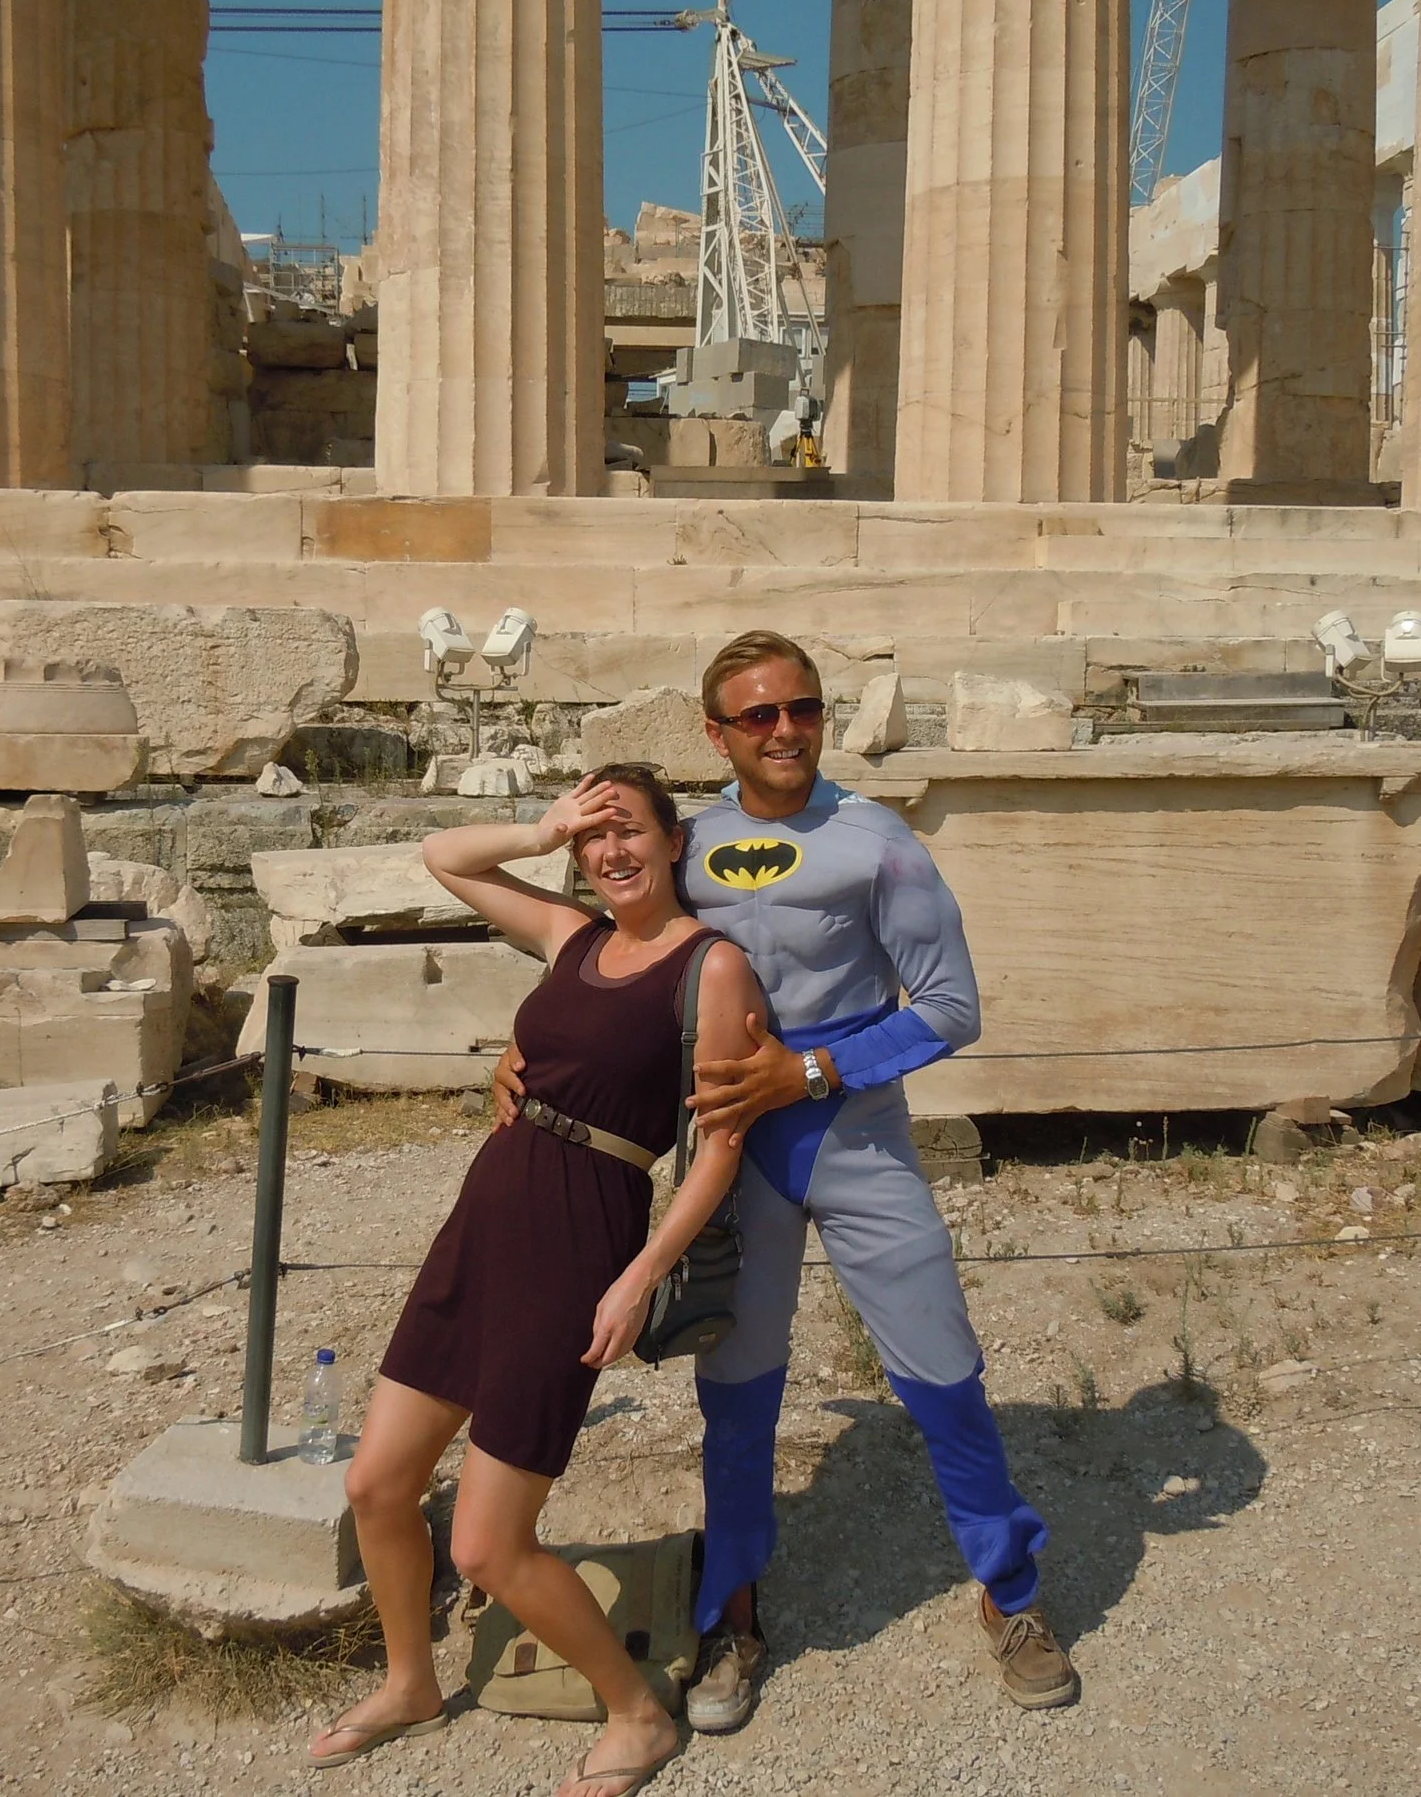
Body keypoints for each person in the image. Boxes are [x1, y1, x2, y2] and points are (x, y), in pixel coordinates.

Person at [496, 631, 1078, 1729]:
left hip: (855, 1137)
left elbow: (950, 1006)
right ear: (715, 734)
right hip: (734, 1153)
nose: (785, 731)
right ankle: (733, 1612)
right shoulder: (690, 843)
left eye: (801, 708)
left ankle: (1011, 1592)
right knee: (736, 1392)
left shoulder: (877, 842)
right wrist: (525, 1044)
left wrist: (807, 1071)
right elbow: (614, 945)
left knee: (942, 1374)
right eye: (757, 715)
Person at [307, 763, 768, 1797]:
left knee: (485, 1544)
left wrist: (640, 1274)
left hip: (582, 1231)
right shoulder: (574, 936)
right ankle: (411, 1682)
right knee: (374, 1484)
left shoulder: (712, 967)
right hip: (487, 1214)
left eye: (628, 828)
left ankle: (636, 1713)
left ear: (674, 842)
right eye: (592, 834)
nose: (609, 850)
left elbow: (722, 1147)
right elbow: (443, 857)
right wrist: (539, 829)